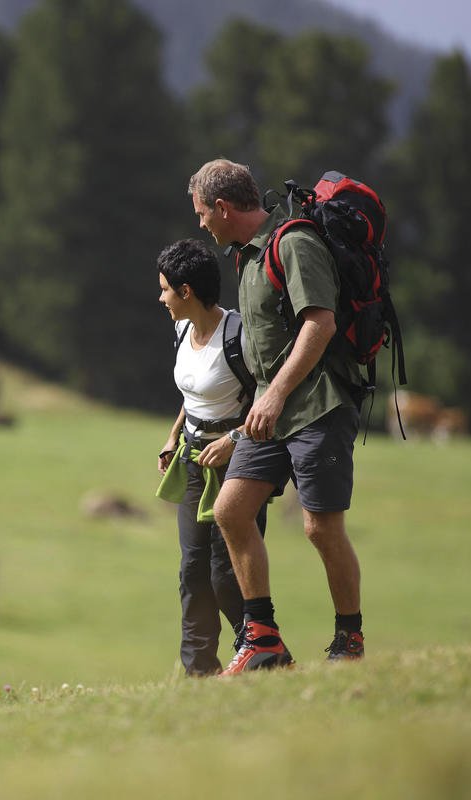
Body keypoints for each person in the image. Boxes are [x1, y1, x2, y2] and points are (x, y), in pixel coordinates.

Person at [187, 158, 366, 674]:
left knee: (319, 528)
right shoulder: (246, 258)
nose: (201, 223)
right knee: (230, 511)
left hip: (317, 404)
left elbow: (321, 324)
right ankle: (263, 640)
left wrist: (274, 395)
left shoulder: (293, 244)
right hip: (270, 412)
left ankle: (348, 641)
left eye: (202, 213)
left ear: (222, 207)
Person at [155, 238, 267, 677]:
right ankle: (198, 673)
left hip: (238, 462)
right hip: (193, 458)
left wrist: (235, 440)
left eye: (165, 289)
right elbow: (192, 395)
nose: (160, 297)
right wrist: (172, 437)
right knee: (191, 572)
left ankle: (259, 655)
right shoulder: (182, 329)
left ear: (186, 292)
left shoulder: (239, 335)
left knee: (226, 574)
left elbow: (271, 400)